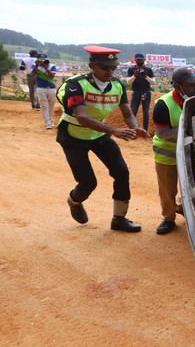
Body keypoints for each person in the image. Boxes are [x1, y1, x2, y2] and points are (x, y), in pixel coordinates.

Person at [57, 46, 148, 233]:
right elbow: (81, 116)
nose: (110, 71)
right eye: (105, 67)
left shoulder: (117, 85)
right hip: (73, 135)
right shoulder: (75, 85)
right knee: (88, 183)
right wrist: (114, 130)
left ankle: (119, 219)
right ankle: (74, 200)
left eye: (113, 67)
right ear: (91, 66)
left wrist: (134, 128)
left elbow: (127, 113)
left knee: (121, 172)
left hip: (99, 134)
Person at [151, 68, 195, 235]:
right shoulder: (163, 105)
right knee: (168, 190)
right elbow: (162, 133)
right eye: (191, 85)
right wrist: (189, 131)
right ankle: (168, 218)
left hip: (192, 152)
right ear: (178, 86)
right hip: (168, 154)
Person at [127, 53, 155, 132]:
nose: (139, 61)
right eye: (138, 59)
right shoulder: (131, 69)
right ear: (135, 60)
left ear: (144, 60)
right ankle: (132, 130)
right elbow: (128, 82)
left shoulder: (148, 70)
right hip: (136, 92)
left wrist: (146, 76)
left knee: (145, 112)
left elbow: (153, 82)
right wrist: (135, 75)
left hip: (146, 92)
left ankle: (145, 130)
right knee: (133, 111)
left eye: (141, 60)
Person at [33, 53, 58, 129]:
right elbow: (32, 74)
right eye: (40, 59)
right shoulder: (35, 66)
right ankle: (48, 122)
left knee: (51, 105)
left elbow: (52, 76)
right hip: (41, 88)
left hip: (51, 88)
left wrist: (46, 68)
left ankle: (49, 120)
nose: (42, 61)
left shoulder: (52, 66)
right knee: (44, 106)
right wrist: (36, 65)